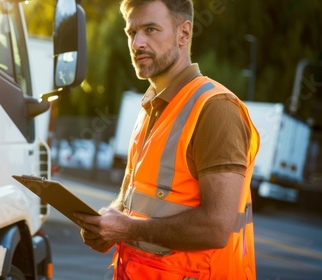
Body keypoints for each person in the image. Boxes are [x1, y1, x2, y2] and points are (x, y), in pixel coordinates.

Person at [74, 0, 260, 279]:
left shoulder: (215, 108)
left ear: (184, 33)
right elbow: (134, 199)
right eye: (131, 33)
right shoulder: (152, 107)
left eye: (150, 29)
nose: (137, 43)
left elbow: (216, 228)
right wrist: (108, 222)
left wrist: (127, 229)